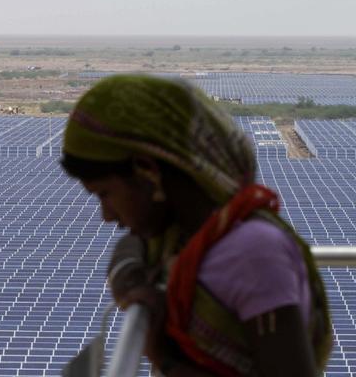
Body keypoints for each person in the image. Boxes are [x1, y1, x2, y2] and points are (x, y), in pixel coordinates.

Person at [60, 74, 332, 376]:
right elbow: (129, 248)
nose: (106, 215)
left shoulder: (252, 253)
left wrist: (163, 358)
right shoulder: (182, 235)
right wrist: (132, 282)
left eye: (105, 194)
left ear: (148, 171)